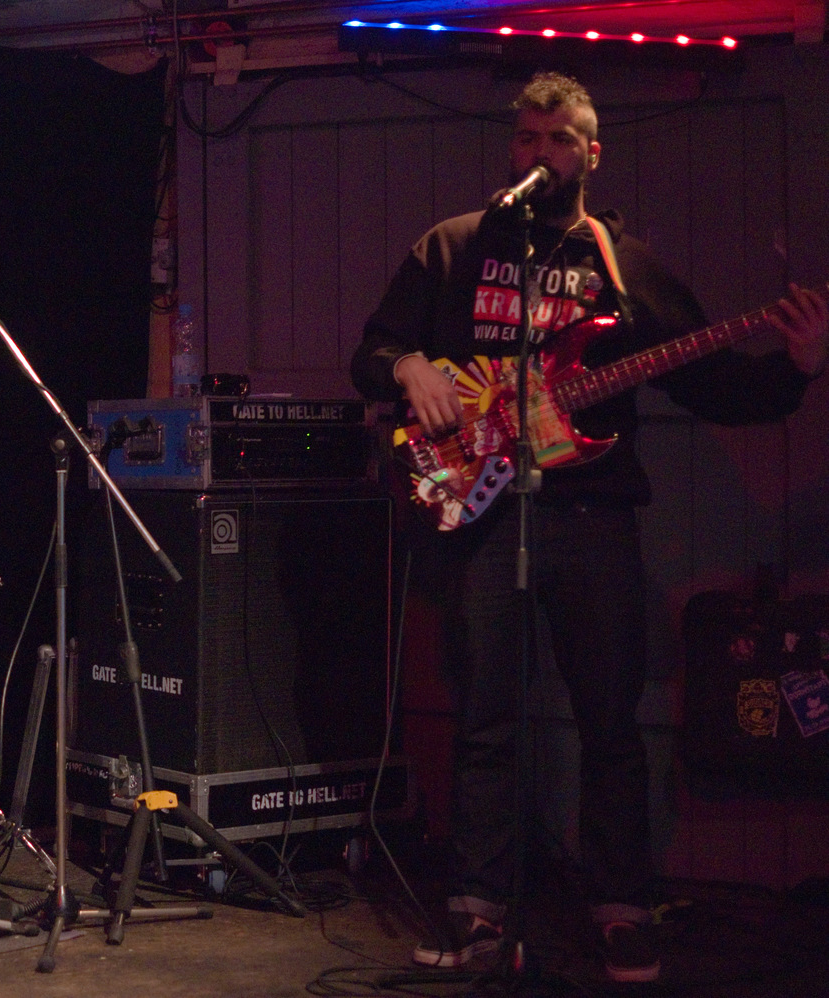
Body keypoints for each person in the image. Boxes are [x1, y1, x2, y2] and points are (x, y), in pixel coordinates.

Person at [352, 72, 827, 984]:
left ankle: (621, 908)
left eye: (559, 140)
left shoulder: (623, 266)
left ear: (592, 154)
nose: (541, 154)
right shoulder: (453, 247)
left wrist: (797, 369)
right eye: (527, 138)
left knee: (609, 719)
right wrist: (409, 365)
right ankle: (478, 910)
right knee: (484, 718)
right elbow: (371, 350)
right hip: (482, 513)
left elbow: (715, 383)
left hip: (591, 516)